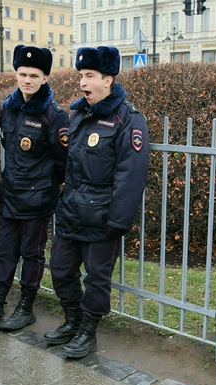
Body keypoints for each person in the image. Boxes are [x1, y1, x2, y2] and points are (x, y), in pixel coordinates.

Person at [44, 46, 149, 358]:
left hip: (102, 219)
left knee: (96, 280)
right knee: (61, 270)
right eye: (80, 76)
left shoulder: (128, 120)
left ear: (108, 79)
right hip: (71, 213)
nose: (83, 83)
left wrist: (117, 222)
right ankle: (73, 321)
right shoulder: (79, 117)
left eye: (89, 76)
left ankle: (88, 332)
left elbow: (131, 176)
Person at [0, 45, 69, 335]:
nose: (27, 80)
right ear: (15, 74)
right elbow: (11, 150)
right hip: (11, 195)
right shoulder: (9, 108)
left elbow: (62, 162)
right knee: (4, 252)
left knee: (31, 254)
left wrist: (44, 187)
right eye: (22, 74)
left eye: (34, 75)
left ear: (45, 77)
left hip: (38, 198)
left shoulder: (54, 115)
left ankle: (25, 308)